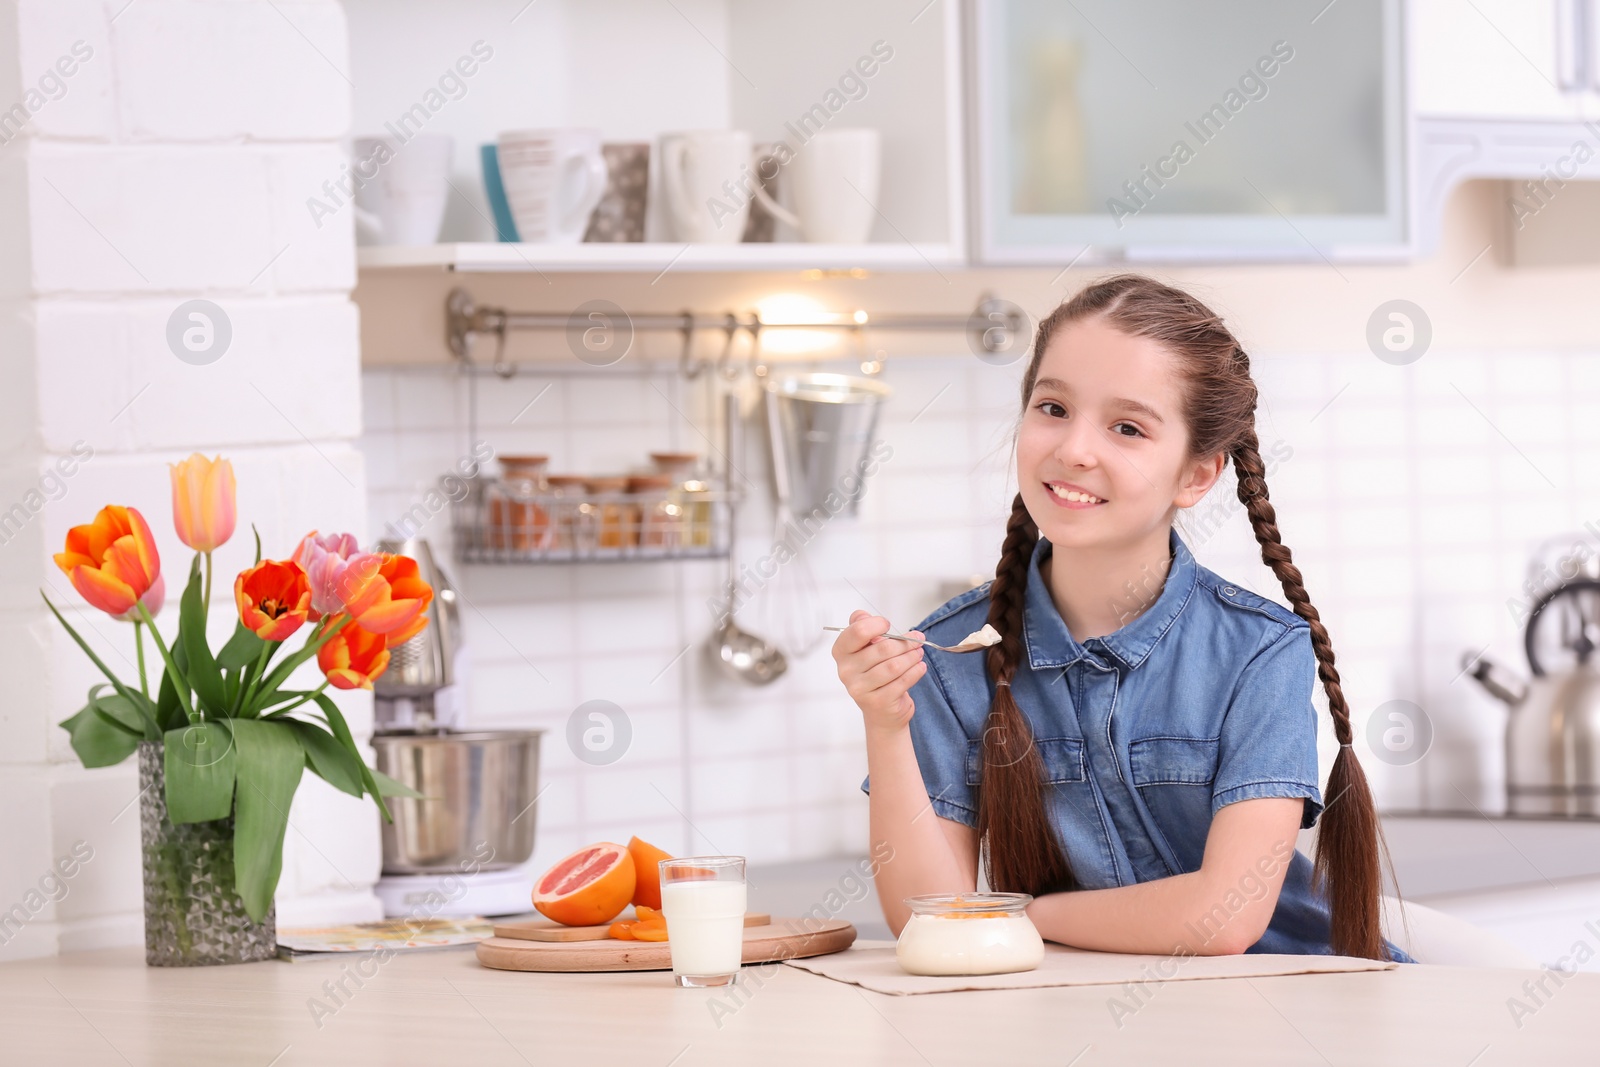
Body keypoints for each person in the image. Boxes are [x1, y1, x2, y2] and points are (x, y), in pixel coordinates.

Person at [833, 274, 1414, 962]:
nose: (1075, 448)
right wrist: (885, 722)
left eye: (1127, 427)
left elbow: (1222, 917)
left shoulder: (1259, 652)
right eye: (1053, 407)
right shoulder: (953, 654)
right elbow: (926, 918)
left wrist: (1022, 914)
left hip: (1291, 999)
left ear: (1196, 476)